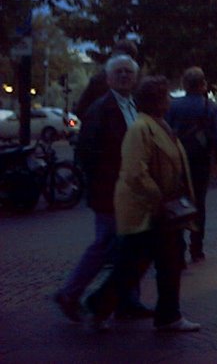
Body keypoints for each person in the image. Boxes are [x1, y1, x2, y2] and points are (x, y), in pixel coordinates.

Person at [84, 75, 201, 332]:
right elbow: (135, 172)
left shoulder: (158, 125)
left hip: (161, 211)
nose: (170, 100)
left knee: (158, 263)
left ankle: (165, 314)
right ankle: (101, 305)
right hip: (149, 211)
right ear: (157, 100)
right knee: (136, 265)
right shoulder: (141, 129)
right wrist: (159, 196)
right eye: (166, 96)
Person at [54, 54, 152, 323]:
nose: (123, 76)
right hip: (110, 190)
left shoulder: (134, 106)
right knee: (106, 244)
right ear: (108, 78)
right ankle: (70, 293)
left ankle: (128, 301)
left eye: (128, 73)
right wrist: (108, 184)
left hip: (131, 191)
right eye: (118, 72)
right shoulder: (100, 109)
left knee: (129, 244)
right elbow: (89, 154)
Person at [166, 66, 217, 263]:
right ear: (203, 85)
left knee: (177, 201)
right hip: (201, 161)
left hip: (177, 161)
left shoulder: (173, 106)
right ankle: (197, 248)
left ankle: (178, 249)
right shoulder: (211, 107)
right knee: (199, 203)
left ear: (184, 85)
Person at [74, 39, 138, 118]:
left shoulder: (98, 80)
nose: (123, 75)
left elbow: (80, 110)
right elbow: (81, 110)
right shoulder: (98, 82)